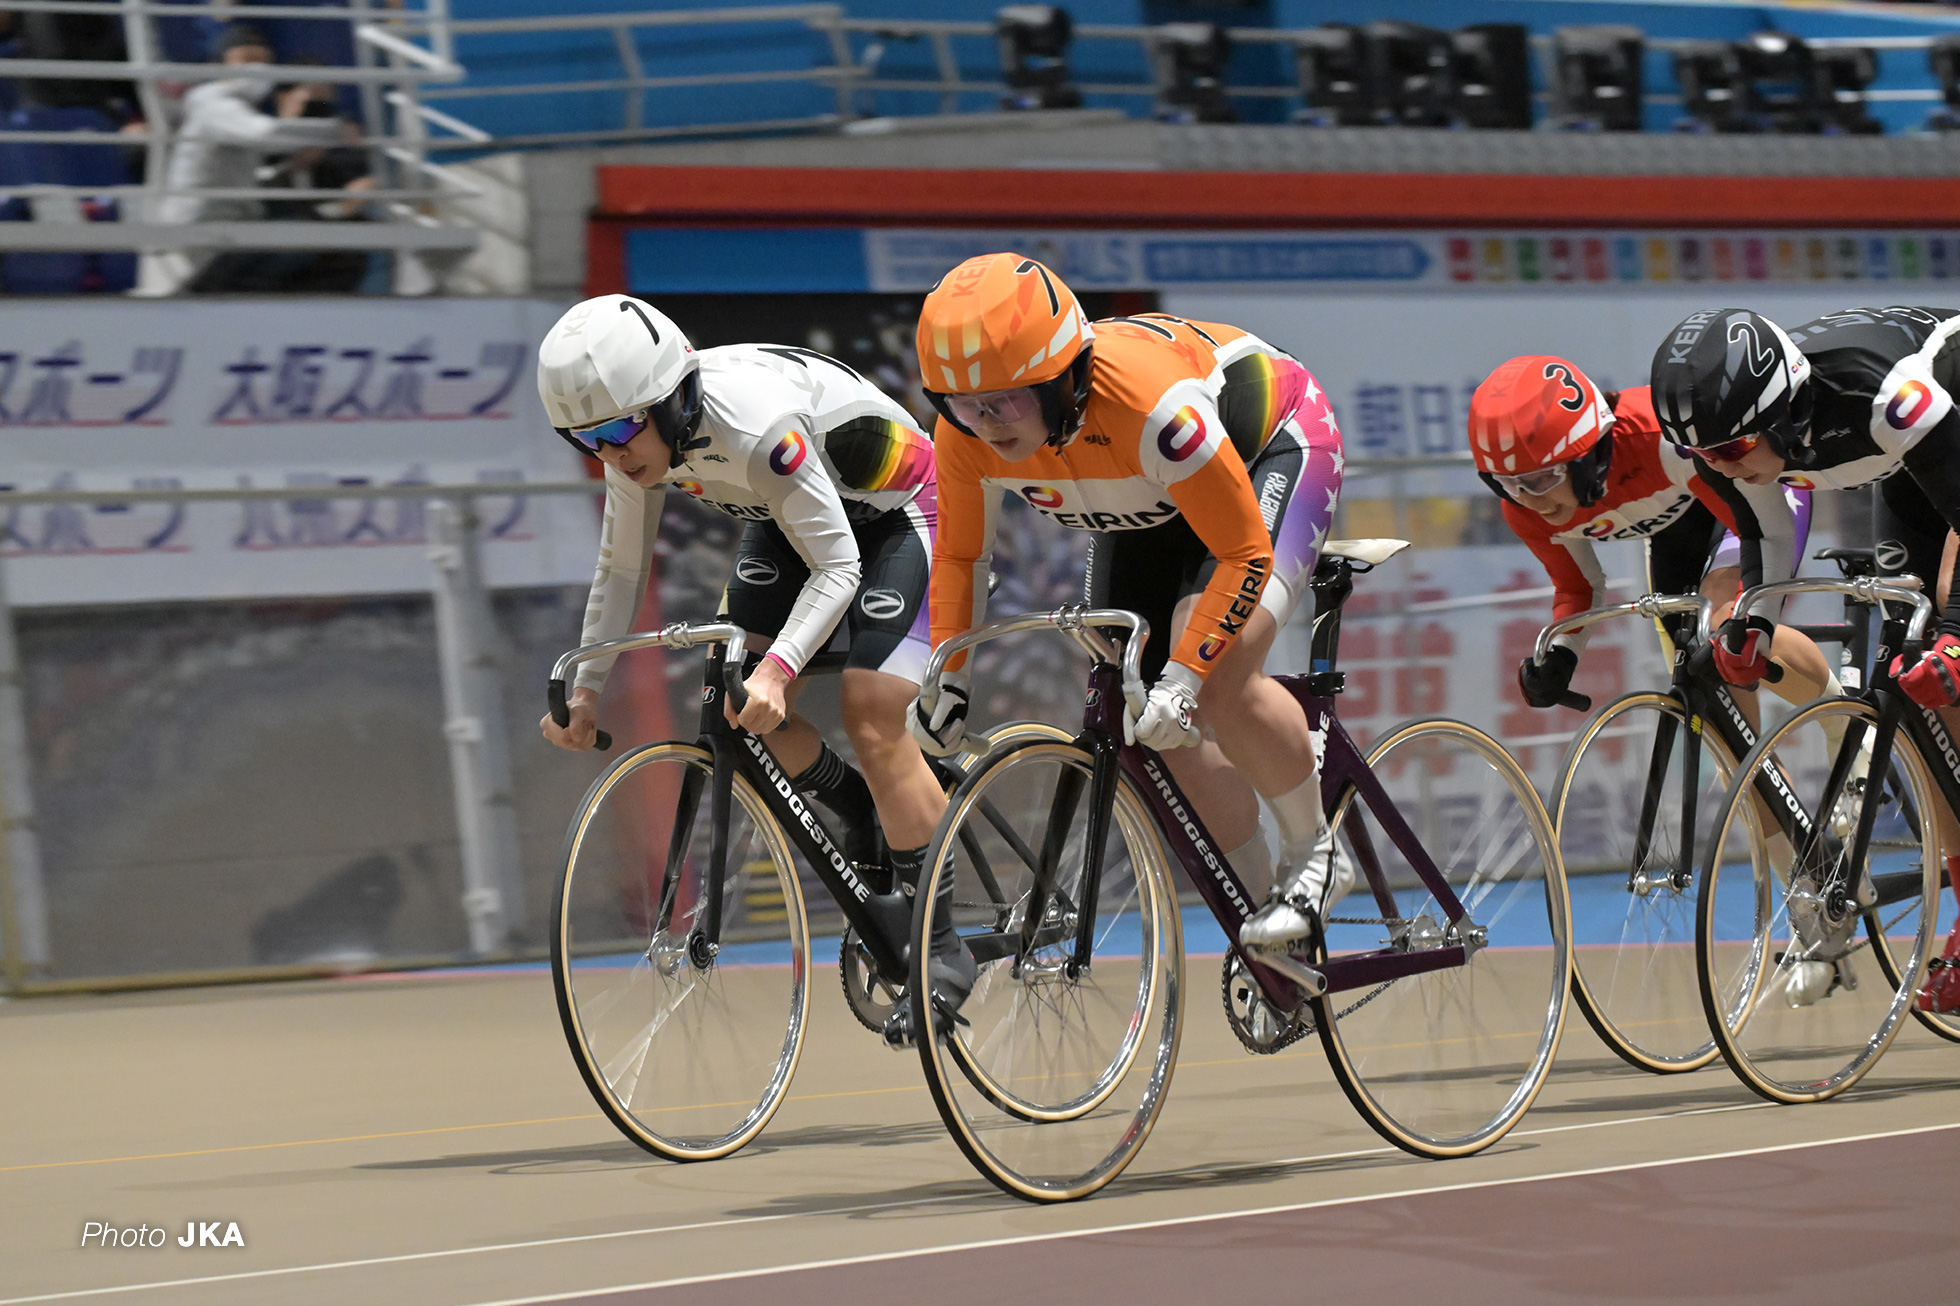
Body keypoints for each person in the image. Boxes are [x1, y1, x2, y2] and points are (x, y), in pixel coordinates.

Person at [907, 252, 1345, 988]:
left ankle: (1314, 855)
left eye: (1003, 403)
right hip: (1152, 492)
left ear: (1060, 378)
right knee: (1143, 711)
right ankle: (1267, 920)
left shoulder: (1153, 408)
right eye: (960, 405)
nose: (982, 424)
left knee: (1213, 675)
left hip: (1268, 441)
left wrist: (1190, 674)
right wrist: (946, 675)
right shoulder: (966, 436)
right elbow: (957, 559)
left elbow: (1241, 553)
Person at [533, 294, 974, 1008]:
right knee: (731, 696)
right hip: (793, 514)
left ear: (671, 400)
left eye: (617, 429)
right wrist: (585, 691)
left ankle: (943, 947)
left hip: (901, 513)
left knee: (870, 710)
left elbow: (839, 567)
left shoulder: (756, 426)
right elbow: (619, 570)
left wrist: (780, 667)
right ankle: (859, 809)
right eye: (585, 441)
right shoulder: (636, 438)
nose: (609, 453)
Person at [1649, 305, 1960, 1012]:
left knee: (1945, 603)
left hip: (1945, 417)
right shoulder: (1740, 437)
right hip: (1912, 465)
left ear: (1783, 414)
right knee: (1914, 680)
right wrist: (1752, 625)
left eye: (1729, 451)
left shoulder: (1883, 400)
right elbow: (1764, 531)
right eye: (1704, 459)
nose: (1720, 468)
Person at [1478, 354, 1830, 717]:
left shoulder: (1658, 440)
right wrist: (1561, 654)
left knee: (1724, 624)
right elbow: (1577, 588)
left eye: (1540, 479)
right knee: (1710, 706)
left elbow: (1761, 534)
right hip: (1675, 530)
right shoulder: (1521, 509)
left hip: (1745, 496)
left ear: (1584, 454)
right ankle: (1751, 773)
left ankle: (1851, 732)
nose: (1530, 500)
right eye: (1507, 483)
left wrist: (1747, 622)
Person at [134, 25, 353, 296]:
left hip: (234, 221)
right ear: (221, 65)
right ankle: (206, 298)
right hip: (204, 224)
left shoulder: (240, 107)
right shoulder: (213, 104)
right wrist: (332, 131)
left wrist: (292, 163)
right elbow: (262, 132)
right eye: (246, 59)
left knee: (324, 247)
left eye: (263, 61)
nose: (257, 69)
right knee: (301, 242)